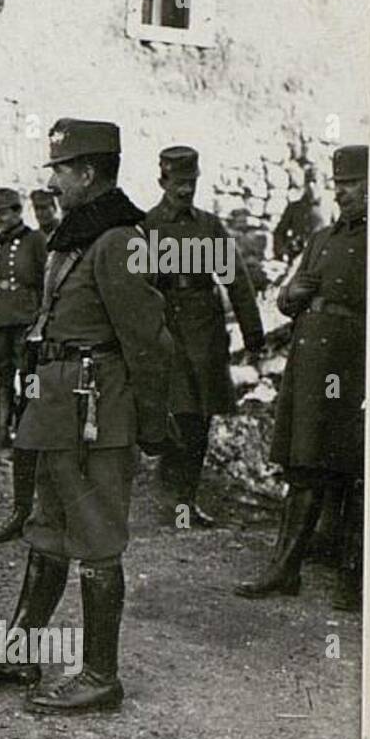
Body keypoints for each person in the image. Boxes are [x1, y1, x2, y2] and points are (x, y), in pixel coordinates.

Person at [0, 119, 173, 712]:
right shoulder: (81, 234)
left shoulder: (120, 239)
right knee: (47, 528)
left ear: (89, 174)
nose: (54, 183)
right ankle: (22, 652)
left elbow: (146, 338)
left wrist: (151, 422)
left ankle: (101, 675)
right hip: (59, 404)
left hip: (97, 407)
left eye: (61, 171)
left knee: (97, 537)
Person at [235, 144, 367, 611]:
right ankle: (284, 569)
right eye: (340, 185)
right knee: (304, 463)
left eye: (352, 184)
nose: (343, 193)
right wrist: (294, 293)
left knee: (352, 470)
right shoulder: (321, 239)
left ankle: (354, 580)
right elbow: (287, 302)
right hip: (312, 359)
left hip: (354, 363)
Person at [143, 146, 264, 527]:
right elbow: (136, 289)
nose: (185, 191)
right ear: (163, 182)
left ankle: (185, 503)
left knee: (199, 424)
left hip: (206, 334)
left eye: (190, 183)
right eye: (178, 183)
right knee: (178, 419)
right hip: (167, 332)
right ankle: (170, 495)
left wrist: (254, 335)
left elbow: (238, 284)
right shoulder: (147, 227)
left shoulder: (209, 227)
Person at [0, 188, 47, 450]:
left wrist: (41, 315)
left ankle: (33, 428)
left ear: (17, 212)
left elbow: (46, 280)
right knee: (3, 375)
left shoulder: (35, 240)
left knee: (30, 376)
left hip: (27, 320)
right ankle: (2, 430)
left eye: (3, 213)